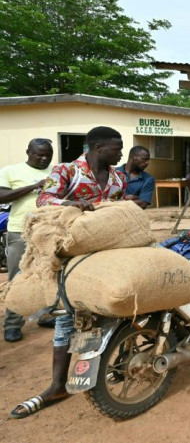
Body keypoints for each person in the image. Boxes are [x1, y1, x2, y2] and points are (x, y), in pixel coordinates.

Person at [9, 126, 125, 419]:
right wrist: (72, 204)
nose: (121, 154)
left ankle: (105, 367)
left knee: (106, 309)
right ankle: (57, 385)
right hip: (68, 254)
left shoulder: (118, 177)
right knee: (67, 316)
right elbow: (43, 200)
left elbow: (117, 208)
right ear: (98, 148)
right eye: (116, 148)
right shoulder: (65, 171)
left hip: (102, 252)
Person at [0, 138, 55, 342]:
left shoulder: (56, 172)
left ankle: (45, 315)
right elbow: (2, 196)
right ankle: (13, 324)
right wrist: (35, 186)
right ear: (28, 152)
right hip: (20, 232)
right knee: (18, 278)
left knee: (48, 275)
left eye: (47, 154)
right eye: (39, 154)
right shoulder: (11, 171)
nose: (43, 158)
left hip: (49, 232)